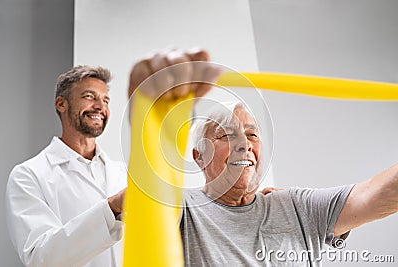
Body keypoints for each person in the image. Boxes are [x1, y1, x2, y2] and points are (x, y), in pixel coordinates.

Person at [127, 48, 398, 266]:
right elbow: (151, 197)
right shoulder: (178, 206)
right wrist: (150, 115)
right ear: (198, 156)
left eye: (252, 135)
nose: (244, 145)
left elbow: (380, 194)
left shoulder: (297, 206)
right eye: (226, 135)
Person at [6, 66, 127, 266]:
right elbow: (40, 257)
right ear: (61, 104)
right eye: (90, 96)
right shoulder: (28, 175)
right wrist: (111, 208)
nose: (100, 106)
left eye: (105, 100)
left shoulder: (123, 172)